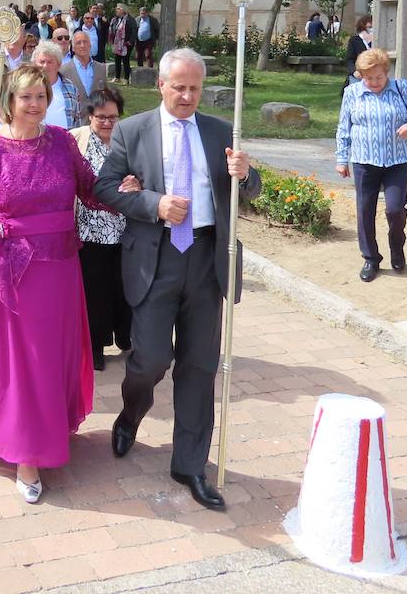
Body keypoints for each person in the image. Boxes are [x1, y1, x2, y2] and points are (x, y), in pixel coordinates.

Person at [0, 65, 128, 504]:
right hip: (3, 267)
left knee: (46, 357)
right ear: (9, 100)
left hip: (57, 268)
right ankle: (24, 453)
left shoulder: (63, 144)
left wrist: (126, 190)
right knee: (13, 361)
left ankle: (44, 429)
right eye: (25, 97)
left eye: (41, 97)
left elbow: (90, 189)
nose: (34, 105)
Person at [94, 48, 258, 512]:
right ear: (161, 86)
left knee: (199, 365)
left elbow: (252, 188)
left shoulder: (221, 131)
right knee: (148, 359)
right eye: (179, 87)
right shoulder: (132, 130)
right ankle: (130, 414)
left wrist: (244, 176)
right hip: (156, 258)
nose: (187, 96)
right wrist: (154, 204)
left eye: (195, 89)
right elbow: (105, 187)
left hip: (208, 257)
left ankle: (189, 463)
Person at [335, 48, 407, 282]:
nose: (374, 82)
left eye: (379, 77)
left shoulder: (401, 88)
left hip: (398, 160)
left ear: (387, 73)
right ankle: (371, 258)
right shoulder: (352, 93)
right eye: (368, 78)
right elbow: (344, 128)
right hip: (364, 161)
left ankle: (397, 247)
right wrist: (341, 159)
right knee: (365, 210)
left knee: (395, 209)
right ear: (360, 75)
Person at [71, 88, 132, 372]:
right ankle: (95, 345)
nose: (107, 123)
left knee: (124, 288)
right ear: (90, 116)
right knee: (94, 292)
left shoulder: (130, 141)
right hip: (89, 232)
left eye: (113, 117)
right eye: (101, 117)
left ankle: (126, 337)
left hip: (126, 231)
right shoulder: (76, 141)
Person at [31, 41, 80, 130]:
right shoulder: (26, 88)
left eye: (50, 62)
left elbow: (77, 120)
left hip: (64, 140)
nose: (45, 66)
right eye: (42, 62)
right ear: (34, 64)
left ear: (59, 65)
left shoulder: (71, 88)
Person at [62, 28, 109, 97]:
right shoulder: (63, 70)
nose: (82, 46)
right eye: (78, 43)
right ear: (73, 48)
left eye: (85, 42)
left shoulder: (101, 68)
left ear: (90, 45)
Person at [108, 4, 139, 83]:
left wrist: (131, 41)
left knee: (125, 60)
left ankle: (126, 79)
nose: (116, 10)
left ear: (123, 10)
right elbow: (115, 28)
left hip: (127, 43)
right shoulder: (117, 19)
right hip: (118, 43)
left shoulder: (130, 19)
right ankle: (117, 77)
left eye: (118, 9)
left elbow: (134, 31)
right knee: (117, 59)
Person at [344, 15, 374, 88]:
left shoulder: (377, 41)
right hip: (358, 77)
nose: (371, 30)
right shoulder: (354, 41)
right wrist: (354, 71)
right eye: (369, 27)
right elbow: (349, 59)